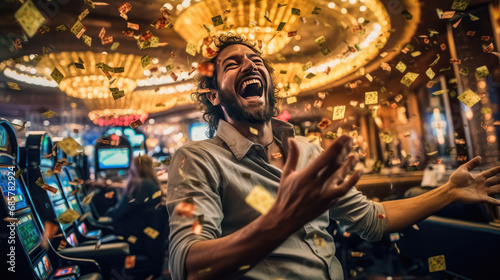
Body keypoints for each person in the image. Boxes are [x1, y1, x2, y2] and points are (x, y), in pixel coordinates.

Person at [166, 33, 500, 280]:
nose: (249, 64)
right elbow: (189, 265)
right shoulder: (195, 159)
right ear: (213, 94)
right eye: (232, 63)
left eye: (255, 61)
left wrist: (450, 192)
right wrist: (279, 220)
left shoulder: (309, 151)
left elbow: (371, 221)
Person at [106, 155, 162, 255]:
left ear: (134, 168)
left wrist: (109, 213)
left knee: (104, 231)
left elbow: (121, 213)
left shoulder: (139, 185)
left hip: (133, 233)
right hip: (145, 234)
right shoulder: (153, 184)